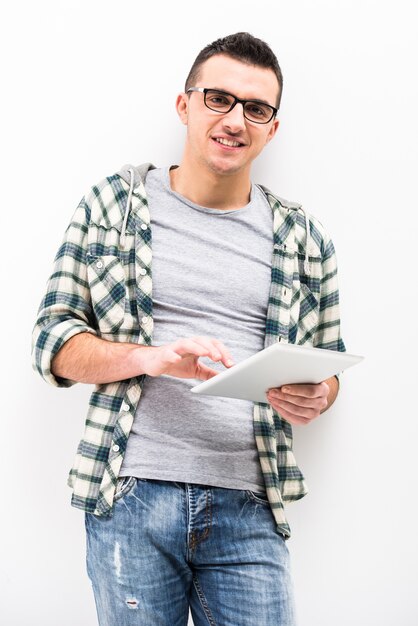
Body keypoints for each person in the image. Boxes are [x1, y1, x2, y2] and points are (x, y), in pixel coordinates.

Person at [32, 32, 345, 626]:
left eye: (255, 108)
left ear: (271, 128)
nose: (235, 120)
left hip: (251, 503)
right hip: (132, 493)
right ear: (185, 105)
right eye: (218, 99)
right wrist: (148, 358)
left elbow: (328, 366)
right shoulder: (111, 208)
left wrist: (316, 394)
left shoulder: (306, 240)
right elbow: (52, 342)